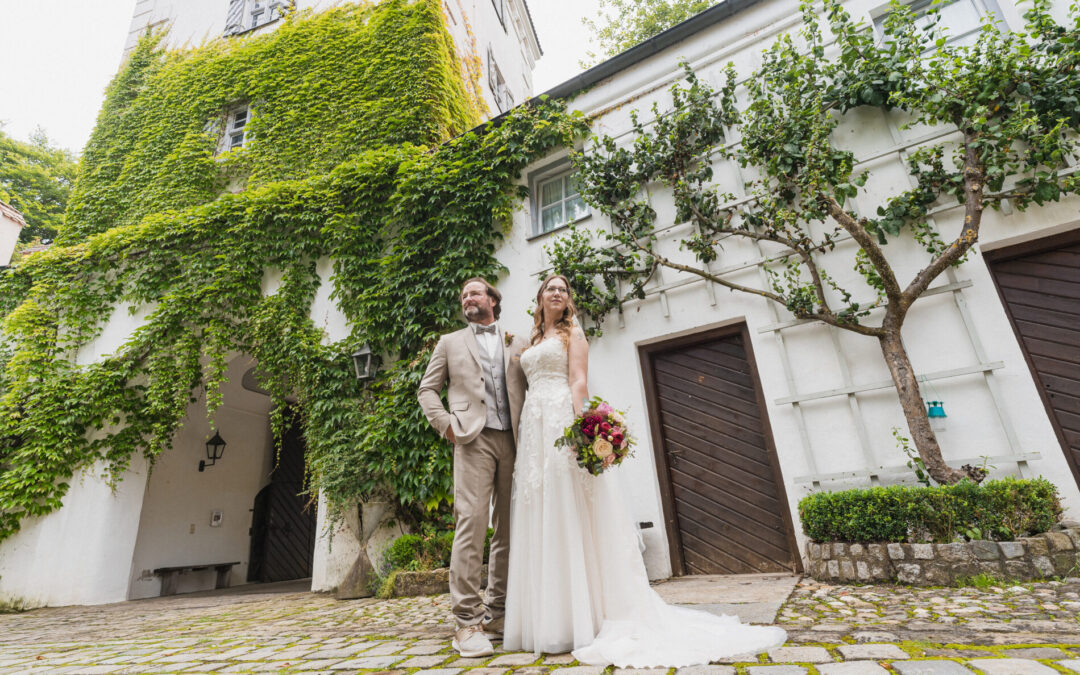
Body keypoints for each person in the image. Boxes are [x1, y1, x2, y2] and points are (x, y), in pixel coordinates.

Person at [502, 274, 787, 667]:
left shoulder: (575, 336)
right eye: (550, 287)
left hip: (558, 421)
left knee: (570, 508)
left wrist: (583, 429)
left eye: (563, 289)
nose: (556, 292)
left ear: (568, 300)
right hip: (534, 428)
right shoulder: (531, 342)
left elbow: (579, 381)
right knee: (542, 508)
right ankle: (552, 619)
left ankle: (588, 617)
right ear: (539, 297)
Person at [418, 278, 529, 658]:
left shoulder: (518, 341)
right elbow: (426, 389)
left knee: (509, 528)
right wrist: (445, 423)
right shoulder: (449, 342)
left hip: (514, 440)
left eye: (475, 292)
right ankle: (466, 622)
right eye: (463, 294)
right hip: (472, 439)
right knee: (472, 522)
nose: (468, 298)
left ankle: (496, 613)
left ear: (493, 300)